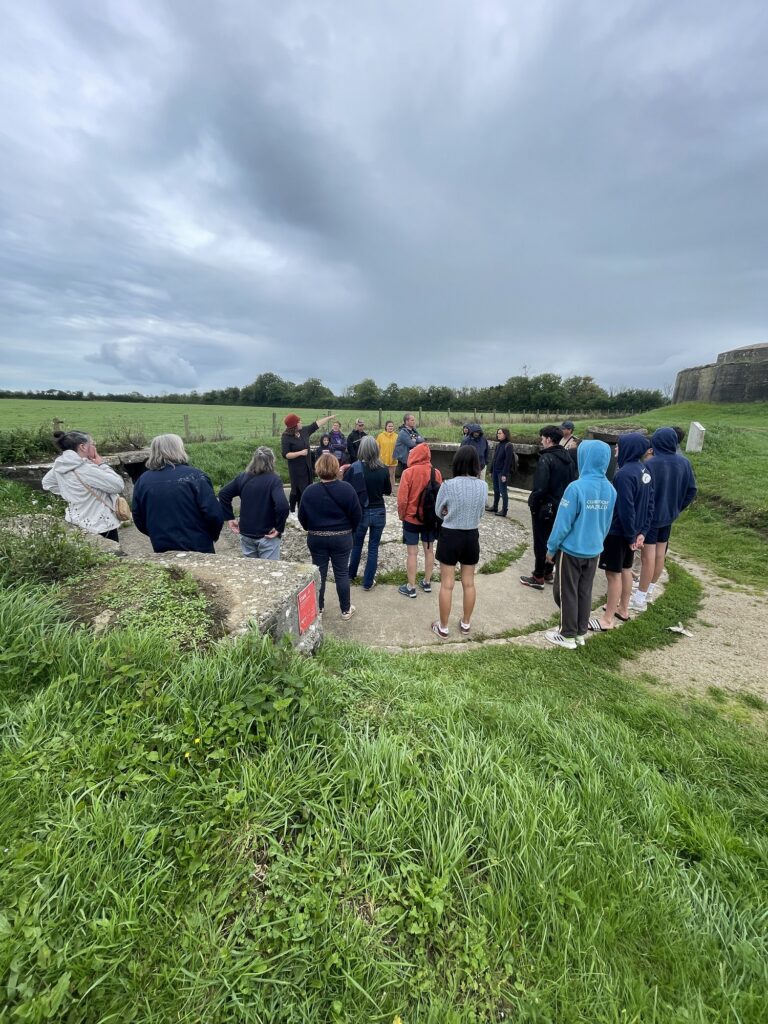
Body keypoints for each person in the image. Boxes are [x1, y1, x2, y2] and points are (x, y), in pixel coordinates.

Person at [543, 440, 616, 649]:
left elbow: (562, 523)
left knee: (564, 591)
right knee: (584, 591)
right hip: (594, 550)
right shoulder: (610, 490)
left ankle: (566, 634)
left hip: (571, 550)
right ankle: (579, 632)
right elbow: (607, 521)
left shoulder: (575, 488)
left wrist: (551, 548)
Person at [589, 433, 654, 631]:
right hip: (634, 533)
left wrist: (629, 535)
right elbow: (650, 504)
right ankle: (622, 608)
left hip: (619, 532)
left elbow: (626, 508)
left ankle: (607, 619)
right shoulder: (645, 471)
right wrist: (641, 532)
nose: (615, 450)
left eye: (618, 446)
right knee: (626, 570)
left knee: (613, 574)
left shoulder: (624, 474)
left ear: (628, 448)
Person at [631, 427, 697, 612]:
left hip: (650, 518)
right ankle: (650, 590)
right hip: (669, 516)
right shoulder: (684, 462)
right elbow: (692, 490)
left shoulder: (651, 464)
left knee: (647, 557)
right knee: (661, 554)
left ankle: (639, 598)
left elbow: (642, 492)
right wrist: (678, 507)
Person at [430, 446, 488, 639]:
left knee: (447, 584)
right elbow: (481, 512)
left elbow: (438, 510)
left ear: (456, 462)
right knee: (469, 583)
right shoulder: (483, 486)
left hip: (450, 535)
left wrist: (449, 512)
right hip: (471, 535)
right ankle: (465, 623)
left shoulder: (448, 485)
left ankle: (443, 627)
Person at [131, 434, 224, 553]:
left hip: (162, 545)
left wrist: (155, 534)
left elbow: (138, 516)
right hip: (198, 544)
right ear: (179, 449)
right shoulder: (195, 476)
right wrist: (211, 536)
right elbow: (214, 514)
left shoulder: (143, 480)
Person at [298, 452, 362, 620]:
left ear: (318, 469)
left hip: (316, 538)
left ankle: (318, 609)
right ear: (336, 468)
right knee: (341, 573)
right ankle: (346, 610)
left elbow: (302, 517)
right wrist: (350, 531)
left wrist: (311, 528)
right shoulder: (347, 489)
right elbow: (357, 515)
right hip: (342, 537)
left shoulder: (309, 491)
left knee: (320, 573)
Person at [41, 430, 126, 544]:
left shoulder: (60, 465)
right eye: (92, 444)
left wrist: (70, 492)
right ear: (83, 447)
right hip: (100, 523)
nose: (95, 447)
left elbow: (47, 483)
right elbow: (118, 485)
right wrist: (101, 464)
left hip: (75, 520)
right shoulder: (87, 468)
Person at [520, 426, 577, 590]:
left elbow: (540, 487)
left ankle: (538, 576)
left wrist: (533, 502)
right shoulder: (568, 458)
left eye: (542, 438)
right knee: (554, 540)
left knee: (540, 541)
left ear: (548, 439)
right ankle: (548, 571)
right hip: (561, 506)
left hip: (545, 507)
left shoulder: (546, 459)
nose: (541, 441)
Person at [218, 446, 289, 561]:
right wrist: (279, 527)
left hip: (246, 533)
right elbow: (283, 506)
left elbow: (223, 494)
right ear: (272, 461)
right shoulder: (274, 480)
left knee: (252, 571)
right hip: (267, 534)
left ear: (254, 460)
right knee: (268, 573)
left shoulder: (242, 477)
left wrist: (230, 517)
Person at [396, 442, 443, 598]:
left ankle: (411, 587)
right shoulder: (436, 473)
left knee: (412, 553)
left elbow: (402, 499)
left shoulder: (408, 473)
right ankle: (427, 582)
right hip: (429, 519)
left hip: (411, 518)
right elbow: (440, 497)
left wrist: (402, 515)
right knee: (429, 551)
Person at [348, 436, 392, 590]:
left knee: (356, 545)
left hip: (361, 512)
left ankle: (350, 575)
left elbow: (348, 490)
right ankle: (367, 582)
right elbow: (388, 490)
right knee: (373, 547)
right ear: (376, 449)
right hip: (379, 511)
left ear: (362, 449)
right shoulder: (384, 468)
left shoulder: (354, 467)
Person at [281, 412, 334, 516]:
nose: (301, 422)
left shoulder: (304, 431)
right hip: (296, 470)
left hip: (307, 467)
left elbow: (316, 424)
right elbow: (286, 454)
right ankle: (293, 511)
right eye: (299, 421)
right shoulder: (286, 437)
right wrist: (300, 453)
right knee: (297, 490)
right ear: (294, 425)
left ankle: (304, 510)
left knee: (307, 488)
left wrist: (329, 418)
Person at [489, 427, 516, 516]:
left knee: (503, 491)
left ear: (505, 434)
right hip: (496, 471)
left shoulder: (509, 445)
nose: (498, 435)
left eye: (500, 433)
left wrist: (504, 474)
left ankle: (504, 510)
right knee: (496, 490)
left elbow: (507, 461)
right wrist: (491, 470)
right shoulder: (498, 445)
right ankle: (495, 506)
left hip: (502, 472)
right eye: (498, 433)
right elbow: (495, 459)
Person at [393, 413, 425, 478]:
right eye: (412, 420)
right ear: (406, 421)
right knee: (407, 477)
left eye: (414, 420)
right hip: (405, 459)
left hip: (412, 457)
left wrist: (415, 439)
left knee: (412, 477)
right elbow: (411, 444)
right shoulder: (403, 432)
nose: (414, 422)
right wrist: (416, 439)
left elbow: (422, 439)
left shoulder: (413, 430)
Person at [376, 419, 398, 490]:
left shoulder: (396, 436)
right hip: (382, 459)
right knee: (383, 475)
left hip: (393, 459)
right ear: (386, 427)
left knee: (392, 475)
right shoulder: (380, 436)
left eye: (392, 426)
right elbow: (377, 447)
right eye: (389, 426)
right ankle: (382, 489)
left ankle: (392, 489)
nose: (390, 428)